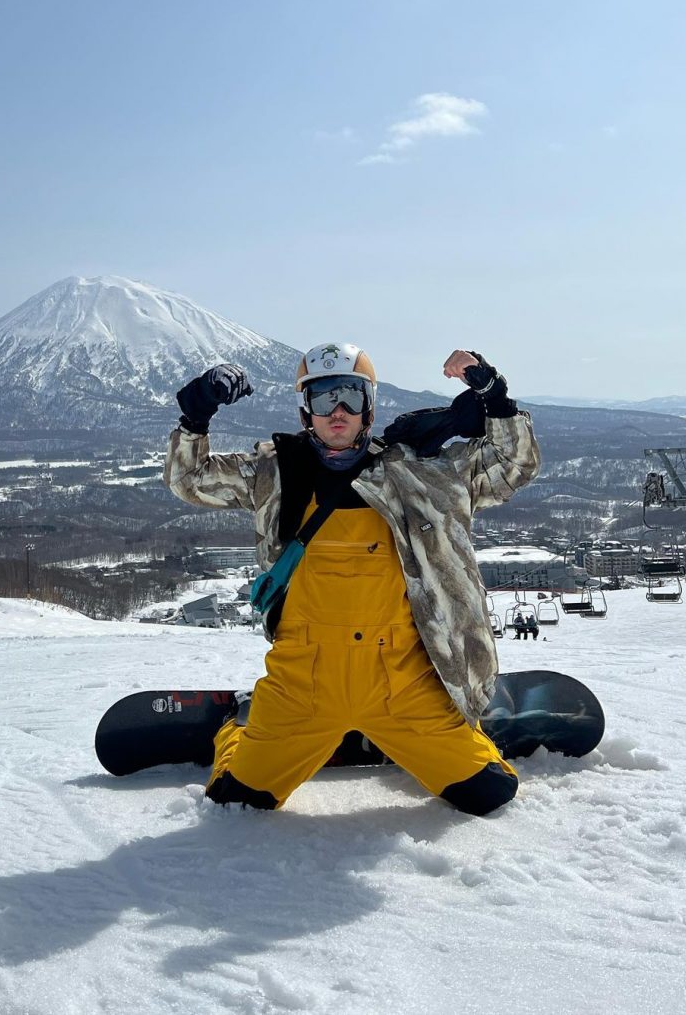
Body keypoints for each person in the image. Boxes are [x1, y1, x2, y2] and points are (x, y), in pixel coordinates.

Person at [165, 344, 541, 816]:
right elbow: (190, 479)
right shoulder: (275, 471)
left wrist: (493, 394)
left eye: (350, 396)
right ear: (307, 409)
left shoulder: (420, 473)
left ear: (370, 405)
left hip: (403, 684)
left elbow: (513, 467)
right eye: (323, 398)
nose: (337, 411)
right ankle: (239, 722)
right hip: (303, 684)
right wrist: (196, 416)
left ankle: (406, 734)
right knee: (236, 801)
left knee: (491, 792)